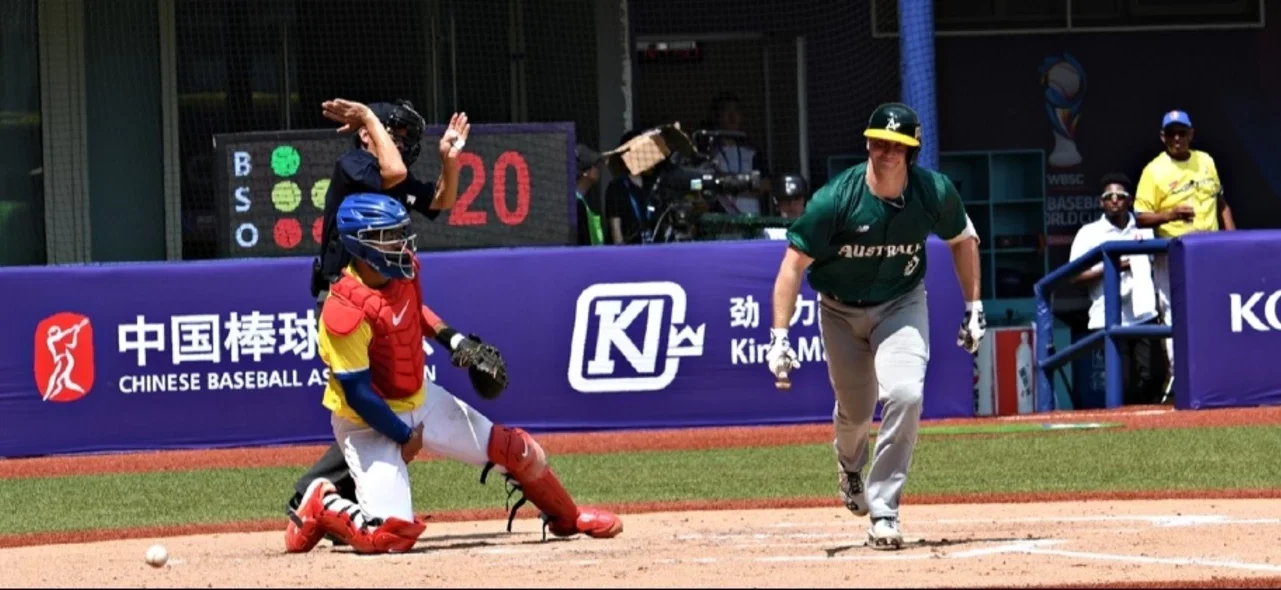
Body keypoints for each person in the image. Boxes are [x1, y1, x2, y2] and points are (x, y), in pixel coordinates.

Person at [285, 194, 623, 554]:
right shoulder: (344, 310)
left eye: (400, 234)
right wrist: (403, 435)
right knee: (389, 537)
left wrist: (455, 340)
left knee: (518, 450)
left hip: (420, 396)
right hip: (368, 421)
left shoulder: (401, 271)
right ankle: (321, 502)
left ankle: (568, 518)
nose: (399, 244)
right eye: (387, 237)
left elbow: (412, 312)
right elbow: (358, 393)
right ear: (359, 244)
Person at [765, 103, 984, 551]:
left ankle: (884, 509)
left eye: (897, 146)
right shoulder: (836, 198)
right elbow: (792, 266)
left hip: (901, 303)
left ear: (911, 152)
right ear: (868, 143)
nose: (886, 152)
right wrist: (779, 337)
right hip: (841, 311)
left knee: (905, 393)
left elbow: (963, 239)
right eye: (879, 143)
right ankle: (849, 469)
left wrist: (975, 306)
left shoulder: (933, 192)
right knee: (857, 411)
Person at [287, 98, 471, 537]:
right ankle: (309, 494)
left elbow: (440, 200)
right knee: (368, 400)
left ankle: (331, 500)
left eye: (407, 138)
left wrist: (450, 162)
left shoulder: (392, 173)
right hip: (346, 298)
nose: (403, 144)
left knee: (382, 400)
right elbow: (394, 174)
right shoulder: (355, 164)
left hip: (384, 293)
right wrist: (368, 118)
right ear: (367, 135)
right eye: (395, 134)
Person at [1133, 109, 1235, 400]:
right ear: (1163, 137)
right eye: (1171, 133)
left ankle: (1220, 373)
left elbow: (1221, 202)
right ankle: (1180, 378)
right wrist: (1170, 214)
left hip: (1211, 252)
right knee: (1174, 314)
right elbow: (1140, 216)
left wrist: (1235, 240)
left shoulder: (1206, 161)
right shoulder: (1154, 170)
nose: (1177, 138)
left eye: (1182, 132)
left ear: (1192, 134)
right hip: (1175, 252)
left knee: (1218, 310)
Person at [1069, 173, 1163, 405]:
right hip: (1108, 316)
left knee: (1154, 375)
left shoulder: (1144, 228)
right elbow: (1074, 275)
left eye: (1119, 196)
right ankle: (1131, 425)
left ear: (1129, 201)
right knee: (1122, 380)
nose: (1114, 200)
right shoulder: (1089, 233)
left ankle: (1146, 422)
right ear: (1101, 202)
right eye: (1108, 196)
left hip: (1143, 313)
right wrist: (1113, 266)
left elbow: (1156, 268)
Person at [574, 144, 605, 245]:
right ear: (585, 172)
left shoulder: (580, 201)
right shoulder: (577, 204)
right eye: (595, 166)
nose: (598, 169)